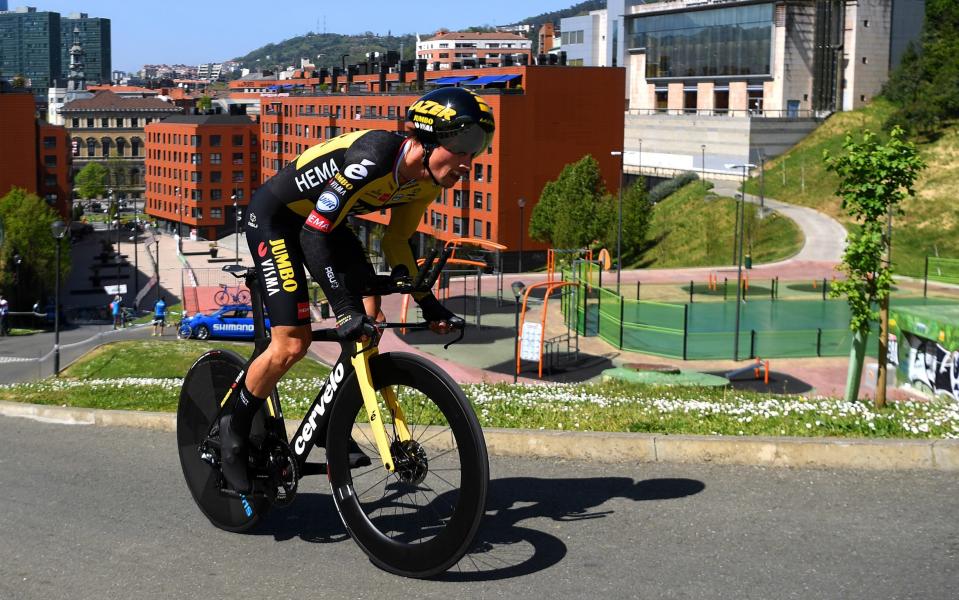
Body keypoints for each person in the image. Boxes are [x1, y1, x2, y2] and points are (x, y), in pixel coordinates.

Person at [217, 87, 495, 492]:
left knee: (371, 322)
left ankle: (331, 424)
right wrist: (342, 306)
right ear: (428, 138)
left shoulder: (427, 182)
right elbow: (313, 233)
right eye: (464, 147)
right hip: (279, 219)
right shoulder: (375, 157)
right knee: (292, 344)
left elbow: (396, 244)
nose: (469, 163)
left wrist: (429, 305)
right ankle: (232, 428)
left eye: (478, 150)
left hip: (327, 223)